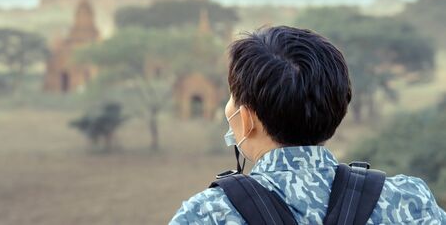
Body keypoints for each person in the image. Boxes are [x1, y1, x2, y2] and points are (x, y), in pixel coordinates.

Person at [170, 26, 446, 224]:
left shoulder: (208, 215)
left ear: (246, 118)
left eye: (232, 98)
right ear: (337, 107)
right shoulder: (409, 202)